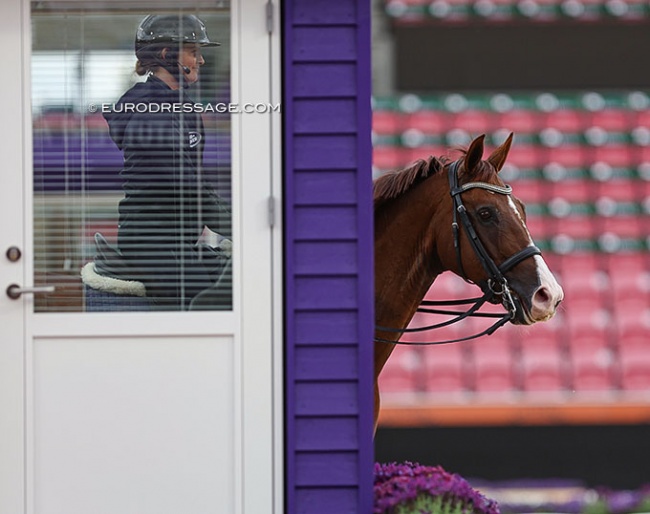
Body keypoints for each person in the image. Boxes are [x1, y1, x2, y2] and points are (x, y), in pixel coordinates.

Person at [97, 14, 231, 309]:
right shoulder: (151, 114)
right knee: (210, 302)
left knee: (235, 283)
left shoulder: (182, 107)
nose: (201, 61)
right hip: (153, 240)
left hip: (179, 238)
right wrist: (238, 227)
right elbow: (186, 182)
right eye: (194, 53)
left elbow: (199, 178)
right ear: (167, 55)